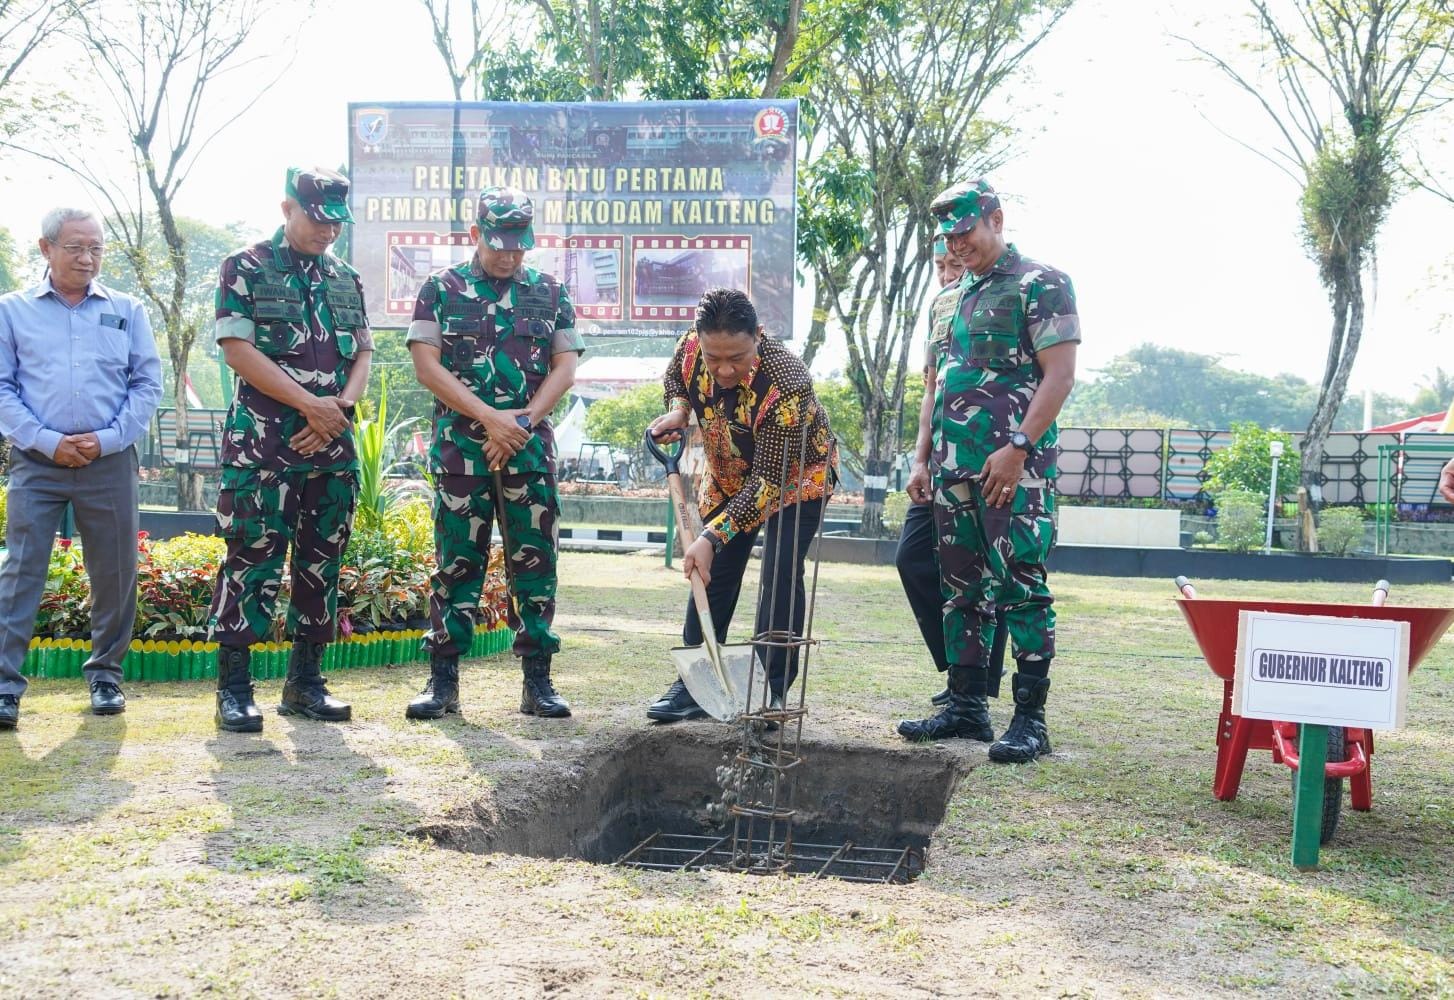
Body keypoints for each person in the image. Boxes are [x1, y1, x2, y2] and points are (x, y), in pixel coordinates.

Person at [897, 180, 1078, 764]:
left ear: (996, 220)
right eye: (949, 236)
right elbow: (935, 386)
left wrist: (1020, 445)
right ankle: (967, 706)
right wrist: (922, 457)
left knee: (1021, 583)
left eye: (967, 232)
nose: (959, 244)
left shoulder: (1040, 283)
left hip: (1013, 469)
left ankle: (1030, 718)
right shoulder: (946, 299)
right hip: (952, 469)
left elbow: (1060, 376)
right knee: (961, 588)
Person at [207, 167, 374, 733]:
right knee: (251, 563)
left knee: (320, 566)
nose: (328, 231)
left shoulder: (346, 278)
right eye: (317, 219)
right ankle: (234, 689)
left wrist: (339, 411)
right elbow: (237, 350)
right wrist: (311, 404)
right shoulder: (246, 267)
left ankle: (305, 684)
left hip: (330, 448)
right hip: (265, 448)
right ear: (288, 208)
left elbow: (363, 355)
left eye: (336, 222)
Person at [405, 187, 582, 721]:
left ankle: (538, 684)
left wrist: (522, 422)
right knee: (457, 563)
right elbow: (426, 366)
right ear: (476, 233)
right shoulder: (440, 289)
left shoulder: (550, 292)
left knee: (535, 563)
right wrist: (490, 418)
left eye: (519, 245)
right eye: (500, 243)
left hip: (526, 451)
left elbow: (565, 366)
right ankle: (443, 683)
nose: (509, 255)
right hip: (463, 451)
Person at [0, 207, 163, 729]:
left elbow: (146, 384)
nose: (87, 257)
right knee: (21, 571)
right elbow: (3, 387)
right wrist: (47, 441)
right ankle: (5, 688)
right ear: (46, 248)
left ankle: (106, 676)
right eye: (74, 247)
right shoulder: (12, 311)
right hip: (36, 461)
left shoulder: (128, 309)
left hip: (109, 461)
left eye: (95, 247)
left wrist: (108, 439)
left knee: (116, 572)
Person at [645, 287, 837, 722]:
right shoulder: (692, 346)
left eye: (737, 358)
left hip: (795, 481)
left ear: (759, 336)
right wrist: (679, 410)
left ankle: (770, 691)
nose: (724, 369)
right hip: (728, 472)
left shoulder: (787, 382)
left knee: (780, 571)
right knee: (713, 575)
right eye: (714, 359)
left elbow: (769, 483)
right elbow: (677, 377)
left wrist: (711, 535)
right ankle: (694, 685)